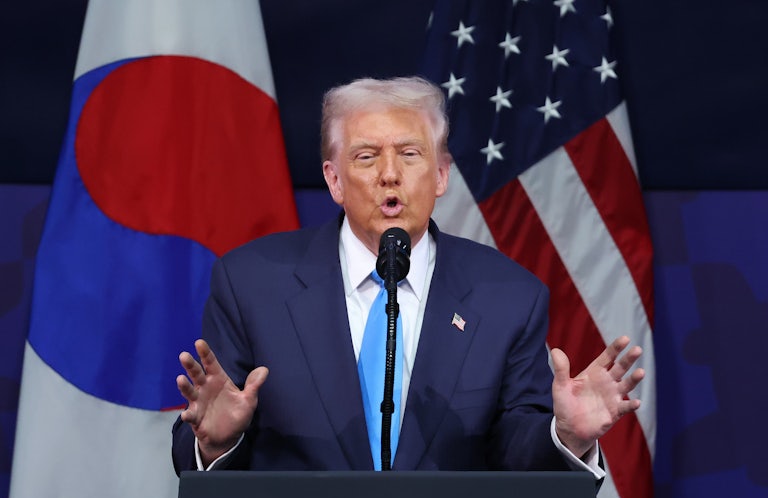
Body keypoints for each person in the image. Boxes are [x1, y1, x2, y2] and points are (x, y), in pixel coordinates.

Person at [171, 76, 644, 476]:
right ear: (334, 180)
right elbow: (211, 427)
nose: (390, 174)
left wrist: (566, 435)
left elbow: (516, 456)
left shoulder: (509, 296)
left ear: (441, 175)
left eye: (410, 154)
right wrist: (214, 444)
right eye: (366, 156)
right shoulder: (252, 284)